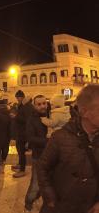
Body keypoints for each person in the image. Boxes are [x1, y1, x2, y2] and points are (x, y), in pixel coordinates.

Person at [37, 84, 99, 213]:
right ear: (84, 112)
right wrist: (51, 198)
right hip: (61, 206)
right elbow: (42, 167)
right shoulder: (60, 137)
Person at [24, 95, 48, 212]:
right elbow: (31, 138)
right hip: (38, 157)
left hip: (53, 157)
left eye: (44, 103)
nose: (42, 106)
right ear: (34, 106)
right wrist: (49, 141)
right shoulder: (31, 120)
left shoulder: (52, 115)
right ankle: (28, 205)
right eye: (39, 104)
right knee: (36, 184)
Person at [13, 92, 34, 178]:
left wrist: (15, 117)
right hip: (20, 132)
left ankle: (22, 170)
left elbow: (27, 120)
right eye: (17, 98)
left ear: (22, 97)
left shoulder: (27, 106)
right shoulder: (22, 105)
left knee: (21, 151)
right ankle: (20, 164)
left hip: (24, 133)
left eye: (18, 97)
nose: (17, 99)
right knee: (19, 149)